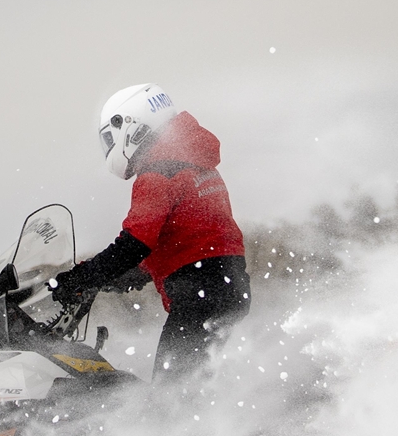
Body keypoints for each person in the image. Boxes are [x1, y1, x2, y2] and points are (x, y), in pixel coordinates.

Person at [51, 84, 250, 380]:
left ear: (130, 126)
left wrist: (80, 277)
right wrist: (117, 279)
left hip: (198, 295)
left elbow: (133, 244)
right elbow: (187, 243)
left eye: (110, 137)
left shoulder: (157, 174)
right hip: (229, 286)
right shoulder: (199, 165)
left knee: (169, 397)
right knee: (197, 386)